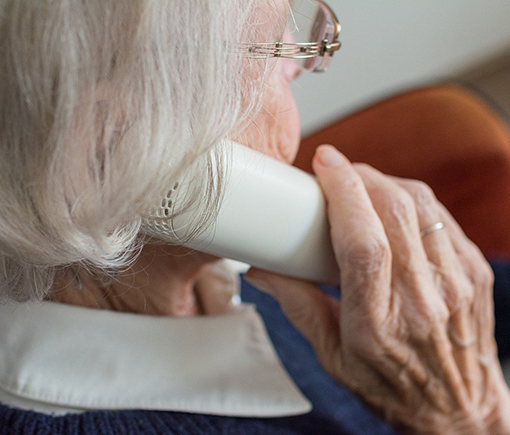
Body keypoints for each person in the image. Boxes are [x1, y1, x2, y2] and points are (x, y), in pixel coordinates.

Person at [0, 0, 509, 434]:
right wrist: (464, 416)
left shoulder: (221, 261)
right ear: (110, 152)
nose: (304, 63)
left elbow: (470, 300)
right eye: (276, 47)